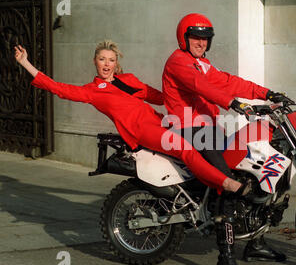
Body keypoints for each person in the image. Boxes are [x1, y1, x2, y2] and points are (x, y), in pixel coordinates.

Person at [13, 40, 245, 194]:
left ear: (117, 63)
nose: (106, 64)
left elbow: (163, 97)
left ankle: (206, 191)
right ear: (95, 61)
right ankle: (226, 183)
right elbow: (58, 88)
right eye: (102, 59)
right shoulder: (92, 91)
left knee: (205, 136)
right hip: (141, 131)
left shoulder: (130, 80)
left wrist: (197, 90)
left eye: (111, 60)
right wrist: (26, 63)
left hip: (161, 121)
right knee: (185, 148)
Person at [162, 13, 289, 265]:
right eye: (195, 37)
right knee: (228, 183)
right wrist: (234, 104)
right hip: (187, 129)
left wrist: (267, 93)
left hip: (210, 129)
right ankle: (225, 261)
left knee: (256, 168)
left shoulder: (203, 63)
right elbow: (202, 87)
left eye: (205, 38)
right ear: (184, 38)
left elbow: (231, 82)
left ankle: (254, 243)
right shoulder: (178, 62)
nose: (201, 43)